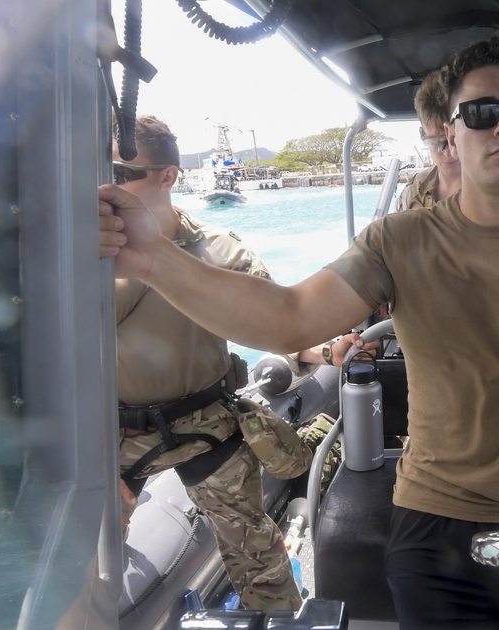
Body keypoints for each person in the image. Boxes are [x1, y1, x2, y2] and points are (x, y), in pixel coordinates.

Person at [100, 36, 499, 629]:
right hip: (429, 520)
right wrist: (151, 257)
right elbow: (288, 316)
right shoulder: (397, 240)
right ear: (451, 134)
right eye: (480, 112)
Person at [112, 115, 371, 612]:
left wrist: (326, 351)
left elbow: (276, 323)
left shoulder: (219, 252)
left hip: (206, 428)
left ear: (168, 176)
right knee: (79, 564)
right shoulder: (80, 258)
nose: (107, 184)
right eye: (100, 171)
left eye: (123, 173)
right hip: (114, 437)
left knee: (259, 558)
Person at [395, 68, 462, 212]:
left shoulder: (496, 190)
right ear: (422, 134)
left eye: (456, 139)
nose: (449, 152)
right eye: (436, 142)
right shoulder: (412, 193)